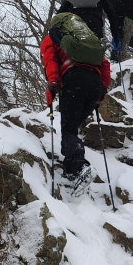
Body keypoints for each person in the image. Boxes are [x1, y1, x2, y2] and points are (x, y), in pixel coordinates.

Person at [40, 12, 112, 182]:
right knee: (73, 124)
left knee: (69, 127)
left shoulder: (53, 37)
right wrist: (101, 92)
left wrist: (53, 85)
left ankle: (77, 167)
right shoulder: (88, 37)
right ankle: (72, 166)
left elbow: (50, 61)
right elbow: (105, 64)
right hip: (95, 84)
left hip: (74, 79)